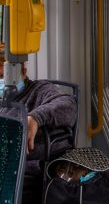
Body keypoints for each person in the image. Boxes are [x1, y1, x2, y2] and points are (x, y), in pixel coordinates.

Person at [0, 47, 77, 204]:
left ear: (23, 73)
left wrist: (35, 118)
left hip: (27, 170)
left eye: (3, 77)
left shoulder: (39, 90)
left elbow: (68, 106)